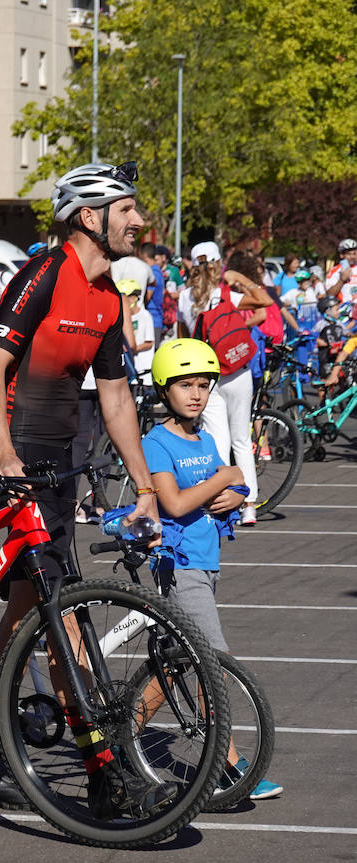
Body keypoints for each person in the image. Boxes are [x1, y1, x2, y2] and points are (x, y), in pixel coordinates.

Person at [0, 160, 162, 813]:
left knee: (26, 605)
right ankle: (103, 766)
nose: (139, 220)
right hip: (17, 459)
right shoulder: (45, 274)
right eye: (126, 209)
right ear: (88, 217)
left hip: (57, 466)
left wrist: (145, 486)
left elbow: (116, 398)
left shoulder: (107, 298)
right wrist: (5, 455)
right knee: (61, 610)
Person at [141, 338, 283, 801]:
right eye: (185, 385)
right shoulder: (156, 442)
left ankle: (114, 740)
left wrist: (236, 489)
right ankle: (227, 765)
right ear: (164, 391)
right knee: (213, 665)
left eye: (204, 385)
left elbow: (236, 481)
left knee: (176, 666)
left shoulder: (204, 439)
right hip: (180, 567)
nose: (196, 394)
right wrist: (223, 479)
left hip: (208, 563)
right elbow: (176, 502)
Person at [176, 241, 271, 526]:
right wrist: (239, 278)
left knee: (218, 441)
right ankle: (249, 505)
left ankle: (220, 499)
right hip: (238, 371)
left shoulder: (185, 298)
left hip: (208, 376)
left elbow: (183, 340)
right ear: (219, 265)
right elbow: (265, 302)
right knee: (242, 440)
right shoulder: (225, 293)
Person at [324, 238, 357, 304]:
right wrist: (341, 280)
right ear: (341, 255)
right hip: (345, 310)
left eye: (354, 253)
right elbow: (330, 294)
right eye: (349, 254)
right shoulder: (334, 271)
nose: (352, 256)